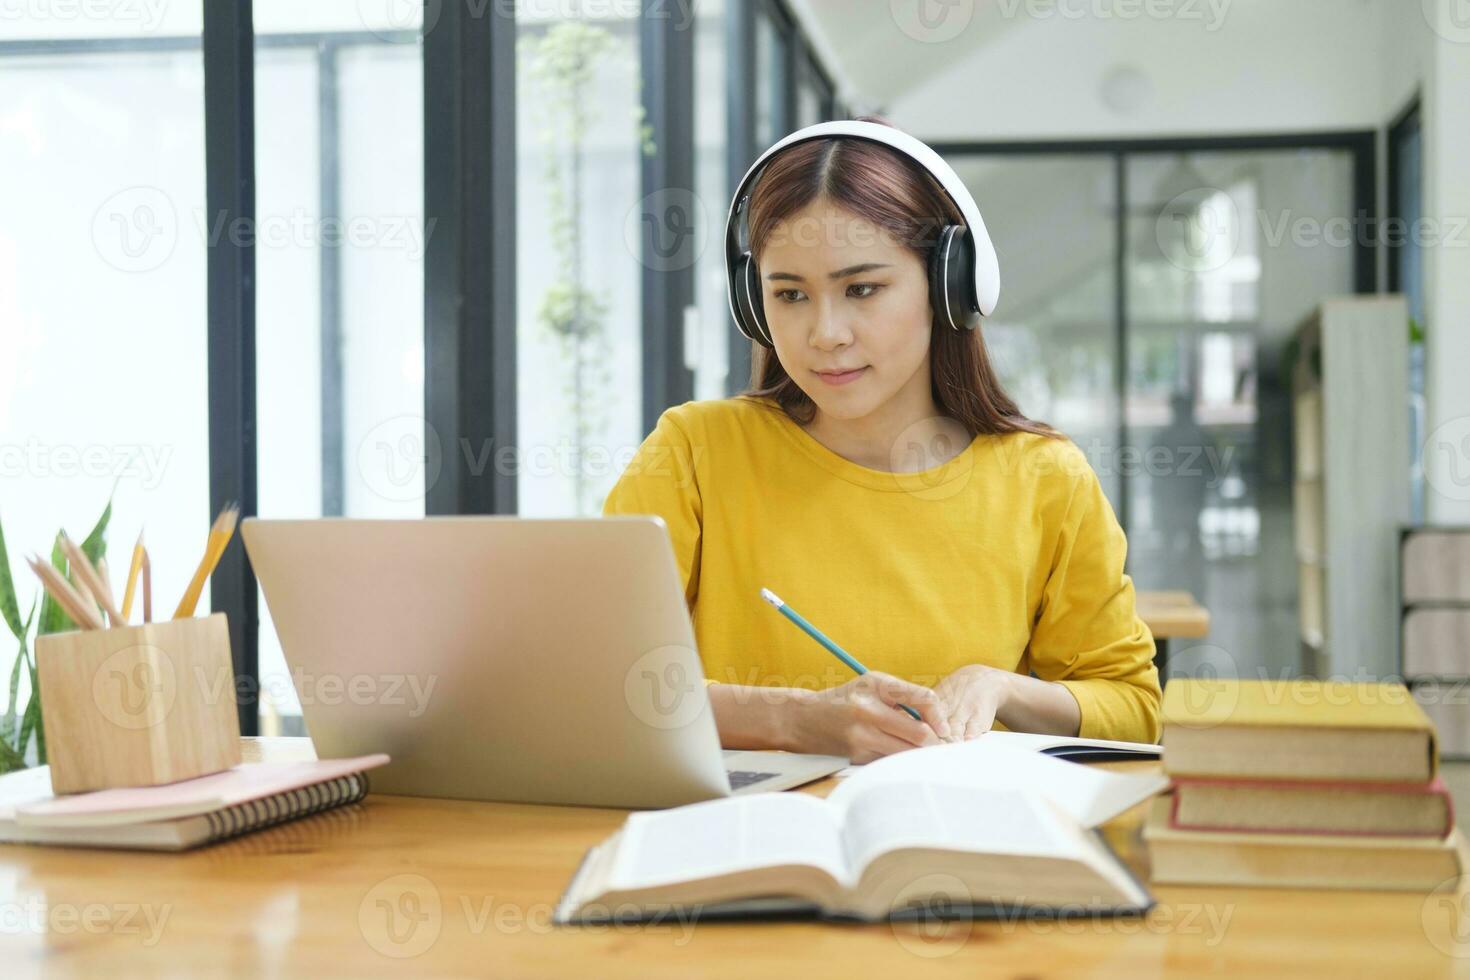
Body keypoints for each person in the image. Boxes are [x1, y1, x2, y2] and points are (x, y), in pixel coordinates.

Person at [603, 116, 1161, 763]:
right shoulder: (694, 452)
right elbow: (594, 683)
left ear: (948, 285)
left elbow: (1134, 711)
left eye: (861, 288)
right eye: (789, 294)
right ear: (754, 304)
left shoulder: (1045, 478)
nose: (825, 333)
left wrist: (1002, 689)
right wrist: (796, 720)